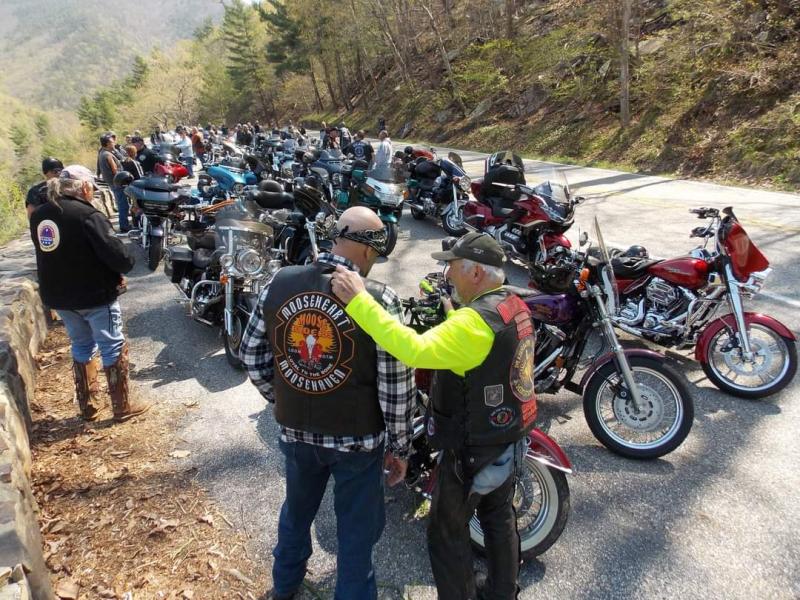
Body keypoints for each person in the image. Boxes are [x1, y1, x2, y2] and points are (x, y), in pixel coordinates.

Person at [330, 231, 537, 600]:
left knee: (446, 533)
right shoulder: (512, 305)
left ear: (476, 273)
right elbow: (485, 348)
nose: (448, 274)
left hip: (471, 448)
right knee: (498, 517)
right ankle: (502, 593)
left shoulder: (472, 325)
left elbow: (411, 349)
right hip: (507, 435)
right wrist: (453, 316)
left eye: (452, 267)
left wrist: (360, 301)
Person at [240, 206, 415, 600]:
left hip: (296, 432)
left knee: (296, 513)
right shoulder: (379, 299)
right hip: (358, 441)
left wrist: (282, 397)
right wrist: (401, 447)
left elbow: (251, 354)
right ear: (368, 251)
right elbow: (396, 386)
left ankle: (284, 586)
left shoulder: (279, 282)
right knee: (355, 537)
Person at [30, 165, 148, 422]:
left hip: (60, 297)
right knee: (112, 345)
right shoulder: (87, 215)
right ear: (83, 187)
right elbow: (117, 256)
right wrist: (127, 261)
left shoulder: (40, 215)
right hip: (94, 293)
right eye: (91, 187)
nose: (92, 191)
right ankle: (122, 406)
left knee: (81, 344)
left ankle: (88, 405)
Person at [98, 133, 131, 232]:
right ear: (107, 143)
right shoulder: (108, 155)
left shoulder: (102, 153)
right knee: (123, 205)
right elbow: (115, 170)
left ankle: (124, 224)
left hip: (113, 183)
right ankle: (124, 226)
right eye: (112, 142)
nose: (114, 143)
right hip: (117, 184)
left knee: (121, 204)